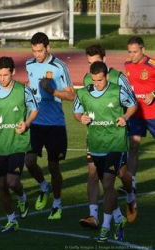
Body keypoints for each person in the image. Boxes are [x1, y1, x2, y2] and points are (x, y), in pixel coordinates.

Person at [74, 61, 137, 242]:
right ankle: (118, 218)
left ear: (107, 76)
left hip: (116, 144)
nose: (97, 84)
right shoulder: (84, 92)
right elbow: (77, 112)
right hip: (96, 146)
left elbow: (132, 104)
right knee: (105, 185)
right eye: (94, 80)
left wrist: (125, 117)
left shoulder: (117, 90)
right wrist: (81, 118)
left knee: (109, 183)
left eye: (100, 80)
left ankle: (105, 226)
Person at [0, 57, 38, 233]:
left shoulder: (23, 91)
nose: (2, 79)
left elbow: (34, 109)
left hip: (18, 143)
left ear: (13, 73)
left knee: (11, 181)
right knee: (1, 185)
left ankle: (22, 196)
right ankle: (11, 220)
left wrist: (27, 123)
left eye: (5, 75)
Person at [24, 32, 75, 219]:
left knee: (54, 166)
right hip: (35, 122)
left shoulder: (60, 66)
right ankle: (44, 186)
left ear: (48, 48)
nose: (37, 55)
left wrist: (52, 90)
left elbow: (71, 96)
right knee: (29, 161)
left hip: (55, 125)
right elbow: (31, 86)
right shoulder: (29, 64)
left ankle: (57, 202)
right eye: (34, 51)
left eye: (40, 50)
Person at [124, 36, 155, 194]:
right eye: (130, 52)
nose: (132, 55)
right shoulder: (127, 65)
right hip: (136, 114)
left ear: (143, 50)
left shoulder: (152, 65)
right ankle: (132, 183)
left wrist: (153, 93)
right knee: (134, 146)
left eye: (135, 52)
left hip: (153, 114)